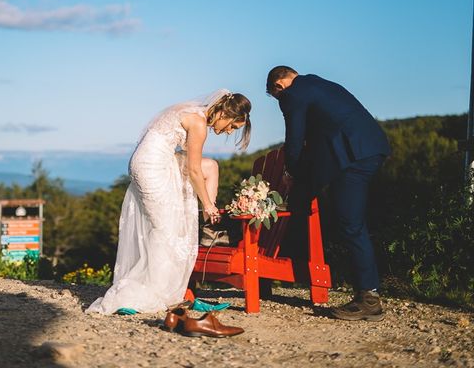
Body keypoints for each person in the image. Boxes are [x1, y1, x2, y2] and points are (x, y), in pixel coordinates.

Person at [86, 90, 252, 314]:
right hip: (152, 167)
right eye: (232, 126)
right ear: (224, 112)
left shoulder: (192, 112)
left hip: (154, 160)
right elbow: (193, 170)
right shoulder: (198, 123)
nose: (227, 131)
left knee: (211, 167)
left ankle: (208, 228)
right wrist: (209, 203)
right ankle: (143, 295)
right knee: (166, 231)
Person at [266, 66, 391, 321]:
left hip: (352, 157)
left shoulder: (293, 94)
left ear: (279, 86)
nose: (281, 102)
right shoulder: (319, 84)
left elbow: (295, 138)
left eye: (276, 96)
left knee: (351, 224)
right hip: (369, 148)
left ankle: (369, 298)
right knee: (348, 220)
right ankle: (365, 290)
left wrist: (291, 172)